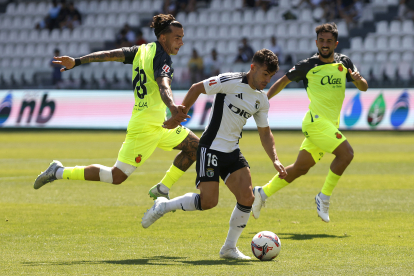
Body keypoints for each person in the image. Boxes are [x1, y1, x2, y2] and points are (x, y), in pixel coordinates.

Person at [34, 14, 199, 203]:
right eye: (177, 38)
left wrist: (78, 61)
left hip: (160, 124)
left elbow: (108, 55)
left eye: (182, 37)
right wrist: (172, 106)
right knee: (116, 176)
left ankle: (162, 189)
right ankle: (58, 172)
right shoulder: (162, 59)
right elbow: (164, 86)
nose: (181, 42)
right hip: (146, 127)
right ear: (163, 37)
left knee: (196, 148)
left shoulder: (141, 50)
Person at [141, 49, 287, 260]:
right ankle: (164, 205)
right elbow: (196, 88)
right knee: (209, 202)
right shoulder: (230, 81)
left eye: (270, 76)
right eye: (264, 74)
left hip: (232, 151)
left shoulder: (261, 101)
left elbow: (265, 132)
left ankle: (229, 248)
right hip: (210, 148)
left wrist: (275, 158)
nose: (267, 80)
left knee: (247, 197)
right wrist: (179, 113)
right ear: (253, 68)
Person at [251, 23, 368, 223]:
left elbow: (363, 87)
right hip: (316, 123)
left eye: (329, 41)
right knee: (347, 153)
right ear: (316, 42)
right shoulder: (308, 65)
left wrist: (357, 79)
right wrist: (265, 99)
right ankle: (324, 197)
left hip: (329, 126)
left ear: (335, 43)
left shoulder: (344, 63)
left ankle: (262, 192)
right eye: (321, 40)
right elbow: (283, 81)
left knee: (299, 168)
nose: (324, 44)